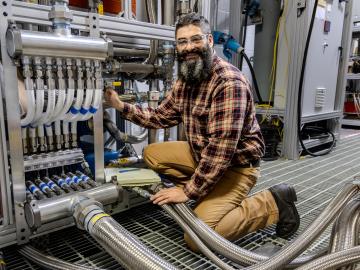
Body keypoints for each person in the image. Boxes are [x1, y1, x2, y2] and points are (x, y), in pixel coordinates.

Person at [105, 13, 300, 252]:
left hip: (236, 168)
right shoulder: (186, 80)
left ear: (209, 40)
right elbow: (160, 116)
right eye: (182, 42)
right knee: (153, 153)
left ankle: (273, 203)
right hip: (203, 155)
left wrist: (187, 192)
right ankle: (208, 194)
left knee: (197, 239)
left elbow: (220, 151)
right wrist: (120, 106)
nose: (188, 48)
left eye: (195, 40)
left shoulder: (229, 83)